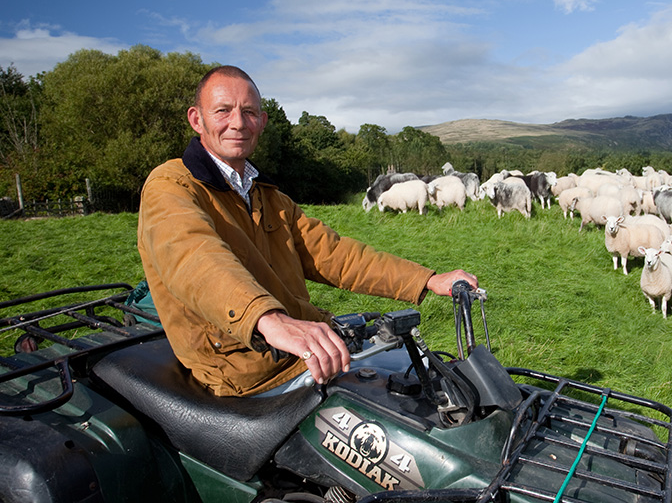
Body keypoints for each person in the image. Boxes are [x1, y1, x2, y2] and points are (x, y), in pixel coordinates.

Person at [137, 66, 477, 397]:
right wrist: (268, 321)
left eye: (249, 111)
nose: (238, 123)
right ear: (197, 119)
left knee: (428, 388)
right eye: (223, 111)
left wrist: (427, 279)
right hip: (248, 369)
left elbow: (336, 255)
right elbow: (192, 256)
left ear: (262, 121)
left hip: (306, 348)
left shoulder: (267, 195)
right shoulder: (172, 186)